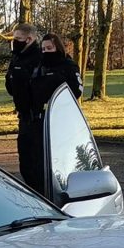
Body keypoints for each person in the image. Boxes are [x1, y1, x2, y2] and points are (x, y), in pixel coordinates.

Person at [26, 33, 83, 195]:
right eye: (43, 49)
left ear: (57, 47)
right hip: (40, 120)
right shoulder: (38, 67)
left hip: (61, 120)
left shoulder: (68, 66)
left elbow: (77, 90)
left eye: (49, 48)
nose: (45, 52)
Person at [5, 23, 41, 187]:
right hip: (24, 116)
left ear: (30, 39)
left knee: (37, 163)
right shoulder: (17, 57)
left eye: (18, 39)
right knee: (25, 162)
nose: (15, 42)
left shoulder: (40, 57)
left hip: (38, 118)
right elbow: (10, 85)